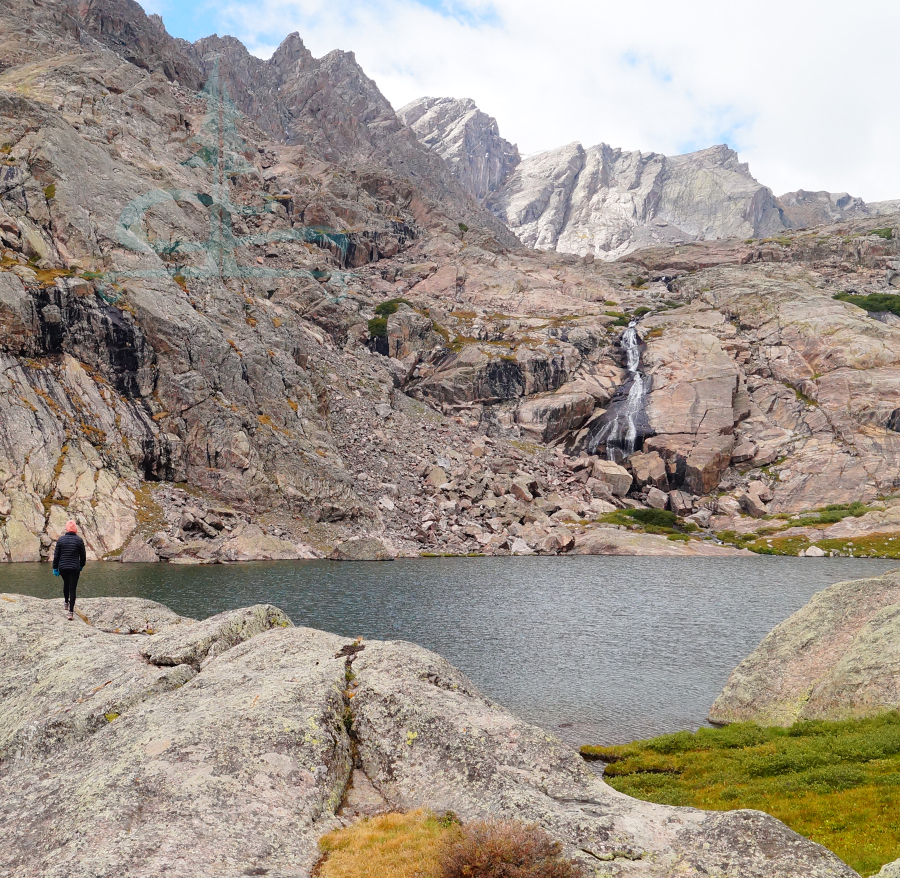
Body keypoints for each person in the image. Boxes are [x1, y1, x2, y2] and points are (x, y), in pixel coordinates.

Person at [53, 520, 86, 621]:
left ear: (66, 529)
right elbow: (83, 556)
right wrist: (81, 565)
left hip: (63, 567)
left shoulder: (61, 540)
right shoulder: (79, 540)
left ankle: (66, 603)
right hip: (74, 567)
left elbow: (56, 556)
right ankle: (71, 612)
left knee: (66, 583)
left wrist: (55, 567)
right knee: (73, 588)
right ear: (75, 529)